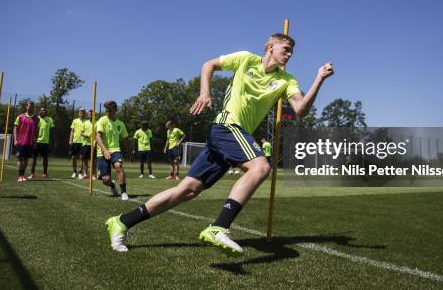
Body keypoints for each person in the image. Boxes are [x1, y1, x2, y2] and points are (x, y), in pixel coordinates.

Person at [105, 33, 334, 254]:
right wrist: (205, 93)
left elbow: (301, 109)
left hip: (234, 134)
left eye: (292, 52)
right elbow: (209, 65)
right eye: (286, 49)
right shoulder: (245, 59)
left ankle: (122, 222)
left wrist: (319, 79)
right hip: (227, 127)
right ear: (270, 47)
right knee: (261, 167)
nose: (290, 54)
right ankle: (219, 227)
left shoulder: (286, 80)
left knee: (187, 191)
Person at [95, 101, 129, 200]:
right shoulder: (102, 120)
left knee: (119, 166)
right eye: (106, 111)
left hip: (115, 150)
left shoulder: (120, 124)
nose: (108, 113)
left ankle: (124, 192)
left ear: (115, 110)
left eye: (110, 111)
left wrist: (131, 151)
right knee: (106, 180)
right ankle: (112, 185)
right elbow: (98, 137)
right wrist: (105, 151)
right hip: (102, 152)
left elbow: (125, 138)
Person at [13, 101, 39, 182]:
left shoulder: (36, 119)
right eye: (29, 106)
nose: (31, 108)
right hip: (21, 142)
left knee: (26, 159)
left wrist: (35, 141)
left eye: (32, 106)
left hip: (30, 143)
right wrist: (15, 139)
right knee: (20, 159)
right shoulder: (20, 117)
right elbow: (15, 129)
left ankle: (23, 175)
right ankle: (20, 176)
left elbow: (36, 131)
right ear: (26, 107)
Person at [29, 106, 53, 179]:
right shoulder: (36, 119)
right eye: (42, 110)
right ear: (39, 111)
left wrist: (50, 139)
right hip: (37, 142)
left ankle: (45, 174)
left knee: (45, 159)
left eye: (44, 110)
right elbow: (33, 130)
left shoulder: (49, 119)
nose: (43, 111)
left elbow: (52, 129)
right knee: (34, 159)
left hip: (45, 142)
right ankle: (32, 174)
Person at [69, 108, 85, 179]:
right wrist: (70, 140)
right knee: (73, 157)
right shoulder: (75, 121)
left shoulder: (86, 121)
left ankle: (81, 173)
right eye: (80, 112)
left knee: (81, 158)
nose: (81, 113)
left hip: (83, 142)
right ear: (78, 113)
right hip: (75, 142)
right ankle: (74, 172)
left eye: (83, 112)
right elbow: (72, 131)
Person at [80, 109, 96, 179]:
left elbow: (98, 134)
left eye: (92, 114)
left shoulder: (96, 123)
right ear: (88, 115)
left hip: (93, 144)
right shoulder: (85, 123)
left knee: (93, 160)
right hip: (85, 144)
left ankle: (93, 175)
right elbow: (81, 133)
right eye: (89, 114)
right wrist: (86, 135)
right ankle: (85, 174)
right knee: (85, 160)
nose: (90, 115)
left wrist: (95, 142)